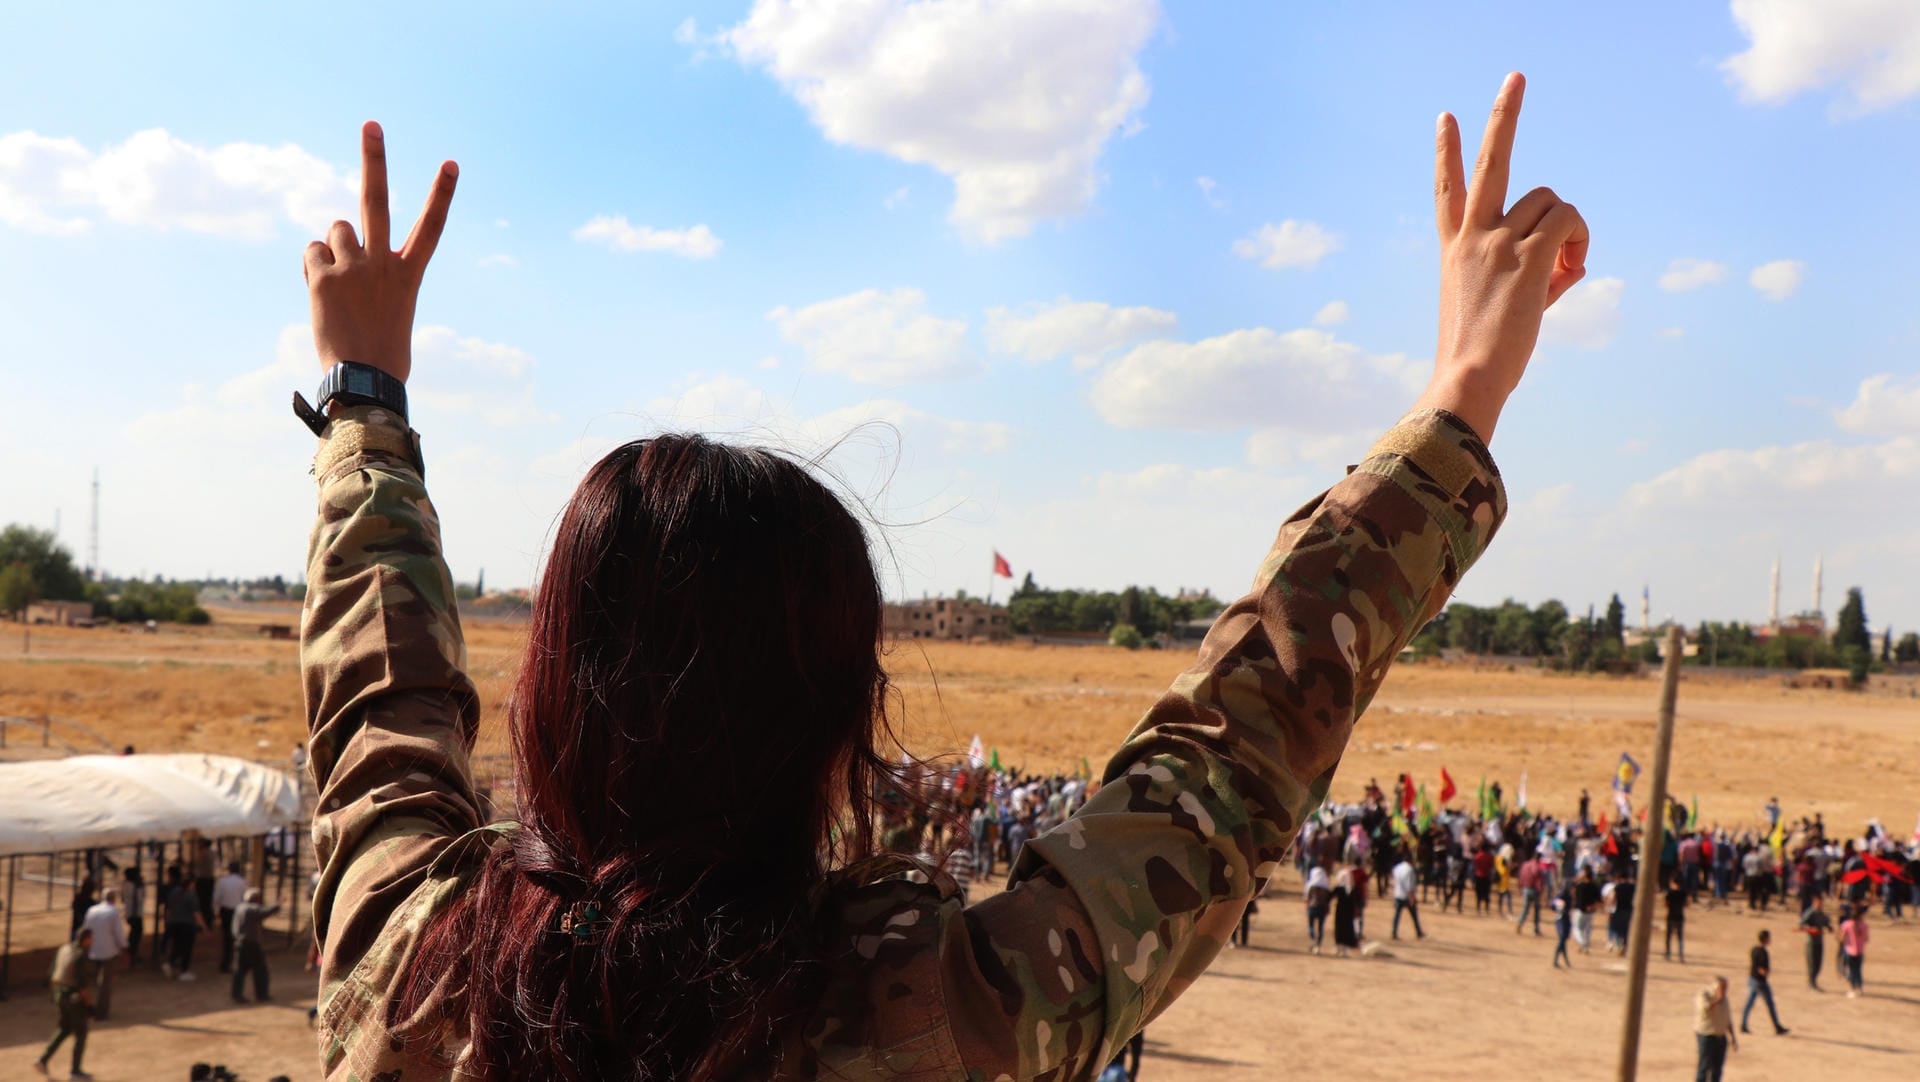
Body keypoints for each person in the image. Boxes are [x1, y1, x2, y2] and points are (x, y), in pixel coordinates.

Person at [298, 74, 1585, 1079]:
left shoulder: (415, 964)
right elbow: (1217, 774)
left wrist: (366, 399)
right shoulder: (932, 1022)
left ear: (554, 699)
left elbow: (378, 708)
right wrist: (1461, 394)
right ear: (834, 733)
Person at [33, 929, 97, 1080]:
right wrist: (89, 1006)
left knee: (64, 1029)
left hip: (59, 994)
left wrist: (54, 996)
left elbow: (52, 973)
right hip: (73, 998)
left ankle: (43, 1059)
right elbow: (82, 986)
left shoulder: (64, 948)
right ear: (86, 939)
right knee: (81, 1033)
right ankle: (75, 1071)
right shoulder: (80, 955)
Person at [79, 888, 128, 1019]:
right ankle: (101, 1013)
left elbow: (85, 930)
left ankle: (85, 1008)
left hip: (92, 950)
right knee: (105, 984)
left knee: (86, 981)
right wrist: (124, 950)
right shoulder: (113, 912)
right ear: (113, 899)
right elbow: (119, 934)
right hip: (109, 952)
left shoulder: (92, 910)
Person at [230, 887, 282, 1004]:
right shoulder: (251, 908)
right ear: (255, 898)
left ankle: (236, 995)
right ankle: (261, 994)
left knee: (240, 970)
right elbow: (264, 912)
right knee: (260, 969)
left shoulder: (240, 907)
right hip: (251, 944)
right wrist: (277, 905)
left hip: (239, 943)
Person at [1740, 930, 1789, 1035]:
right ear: (1766, 939)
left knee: (1750, 1003)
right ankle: (1777, 1027)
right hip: (1760, 982)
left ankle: (1743, 1024)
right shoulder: (1763, 953)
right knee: (1770, 1004)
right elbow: (1762, 969)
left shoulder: (1754, 949)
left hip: (1752, 979)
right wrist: (1766, 973)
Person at [163, 868, 207, 981]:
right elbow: (196, 913)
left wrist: (168, 921)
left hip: (174, 923)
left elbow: (168, 909)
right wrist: (203, 927)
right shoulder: (191, 896)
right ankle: (184, 971)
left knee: (177, 946)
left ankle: (170, 962)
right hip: (187, 925)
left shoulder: (174, 893)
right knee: (186, 948)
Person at [1693, 975, 1737, 1082]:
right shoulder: (1704, 995)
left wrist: (1733, 1037)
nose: (1725, 990)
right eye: (1722, 987)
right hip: (1706, 1036)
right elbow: (1704, 1009)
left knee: (1717, 1070)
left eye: (1726, 987)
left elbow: (1727, 1019)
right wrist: (1717, 999)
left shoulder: (1725, 999)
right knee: (1704, 1067)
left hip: (1721, 1038)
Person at [212, 862, 248, 974]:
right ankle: (236, 963)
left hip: (225, 912)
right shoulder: (243, 882)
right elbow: (245, 898)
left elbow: (216, 898)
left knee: (227, 938)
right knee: (237, 938)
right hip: (238, 911)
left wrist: (215, 912)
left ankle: (226, 963)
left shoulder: (222, 881)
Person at [1798, 895, 1832, 990]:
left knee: (1818, 963)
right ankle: (1811, 982)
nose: (1820, 905)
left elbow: (1826, 922)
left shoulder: (1822, 913)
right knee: (1812, 962)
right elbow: (1801, 925)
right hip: (1811, 941)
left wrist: (1829, 927)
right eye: (1819, 903)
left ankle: (1814, 980)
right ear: (1814, 902)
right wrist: (1809, 928)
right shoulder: (1810, 913)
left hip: (1819, 941)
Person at [1390, 849, 1424, 940]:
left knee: (1397, 915)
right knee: (1414, 915)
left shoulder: (1397, 867)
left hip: (1398, 894)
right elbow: (1409, 886)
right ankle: (1419, 932)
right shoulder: (1410, 870)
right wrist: (1412, 898)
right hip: (1406, 896)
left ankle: (1394, 932)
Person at [1838, 906, 1867, 997]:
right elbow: (1866, 939)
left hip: (1849, 950)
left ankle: (1853, 989)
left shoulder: (1847, 924)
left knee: (1850, 970)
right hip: (1860, 951)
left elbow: (1842, 939)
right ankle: (1859, 988)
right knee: (1858, 970)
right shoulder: (1864, 925)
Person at [1304, 864, 1332, 954]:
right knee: (1320, 928)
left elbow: (1307, 898)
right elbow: (1328, 900)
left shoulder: (1311, 885)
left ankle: (1313, 941)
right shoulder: (1326, 886)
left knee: (1311, 926)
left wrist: (1307, 907)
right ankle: (1318, 945)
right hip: (1322, 909)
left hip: (1312, 908)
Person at [121, 868, 146, 969]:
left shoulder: (126, 885)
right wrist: (141, 885)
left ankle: (132, 955)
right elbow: (141, 898)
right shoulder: (135, 886)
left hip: (129, 913)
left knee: (134, 935)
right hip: (135, 914)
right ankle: (131, 956)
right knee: (135, 935)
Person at [1664, 873, 1688, 963]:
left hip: (1671, 916)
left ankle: (1668, 954)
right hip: (1680, 916)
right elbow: (1686, 904)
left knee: (1669, 937)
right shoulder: (1683, 893)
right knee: (1680, 937)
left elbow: (1665, 904)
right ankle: (1681, 955)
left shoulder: (1670, 893)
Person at [1551, 883, 1574, 969]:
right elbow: (1553, 907)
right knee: (1562, 940)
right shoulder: (1564, 897)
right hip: (1562, 919)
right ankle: (1556, 959)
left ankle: (1565, 959)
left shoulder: (1559, 896)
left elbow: (1552, 907)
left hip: (1563, 919)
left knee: (1563, 940)